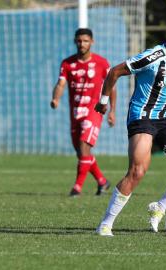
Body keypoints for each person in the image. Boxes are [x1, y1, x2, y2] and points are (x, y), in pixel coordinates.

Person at [94, 18, 166, 236]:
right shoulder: (154, 56)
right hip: (142, 117)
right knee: (138, 171)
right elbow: (114, 71)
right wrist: (103, 101)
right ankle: (106, 224)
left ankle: (160, 207)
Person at [50, 28, 116, 197]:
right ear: (75, 42)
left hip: (94, 111)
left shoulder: (101, 63)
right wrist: (56, 99)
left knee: (83, 146)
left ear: (91, 42)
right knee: (81, 153)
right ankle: (102, 181)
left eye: (85, 41)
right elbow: (60, 84)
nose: (82, 44)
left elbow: (111, 86)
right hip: (75, 113)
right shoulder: (67, 64)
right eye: (79, 41)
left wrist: (112, 110)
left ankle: (77, 188)